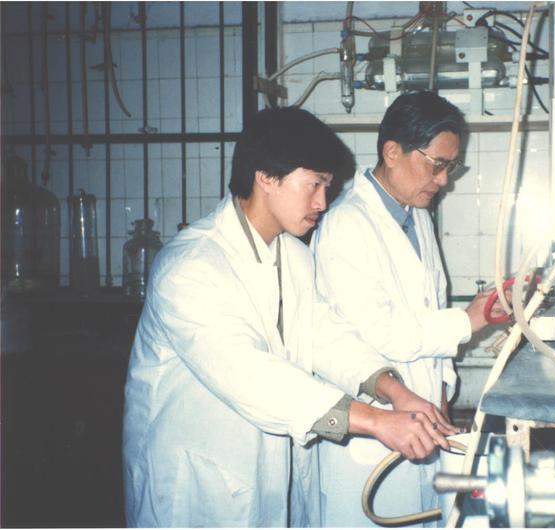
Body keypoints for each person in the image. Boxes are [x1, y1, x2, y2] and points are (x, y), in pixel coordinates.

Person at [122, 107, 456, 528]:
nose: (322, 202)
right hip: (196, 480)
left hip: (268, 470)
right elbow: (249, 375)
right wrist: (376, 421)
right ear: (266, 176)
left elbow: (323, 334)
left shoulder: (293, 255)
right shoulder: (191, 266)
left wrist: (394, 391)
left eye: (327, 187)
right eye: (314, 184)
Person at [311, 91, 503, 527]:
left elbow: (430, 314)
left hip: (421, 424)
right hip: (369, 437)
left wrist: (442, 403)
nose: (444, 179)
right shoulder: (347, 224)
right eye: (437, 165)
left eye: (451, 166)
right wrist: (471, 319)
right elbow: (384, 334)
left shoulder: (415, 215)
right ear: (392, 152)